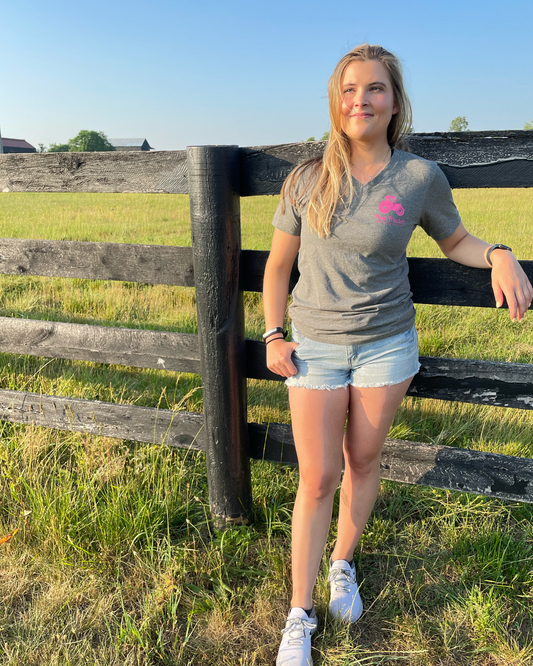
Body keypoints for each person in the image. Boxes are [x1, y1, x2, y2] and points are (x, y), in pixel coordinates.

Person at [262, 43, 533, 666]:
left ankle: (341, 565)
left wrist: (499, 253)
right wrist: (274, 335)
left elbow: (456, 239)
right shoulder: (306, 178)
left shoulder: (418, 178)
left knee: (363, 458)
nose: (362, 99)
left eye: (375, 89)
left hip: (387, 346)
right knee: (317, 476)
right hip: (314, 349)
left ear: (393, 101)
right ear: (337, 102)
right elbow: (278, 268)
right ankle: (299, 613)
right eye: (350, 89)